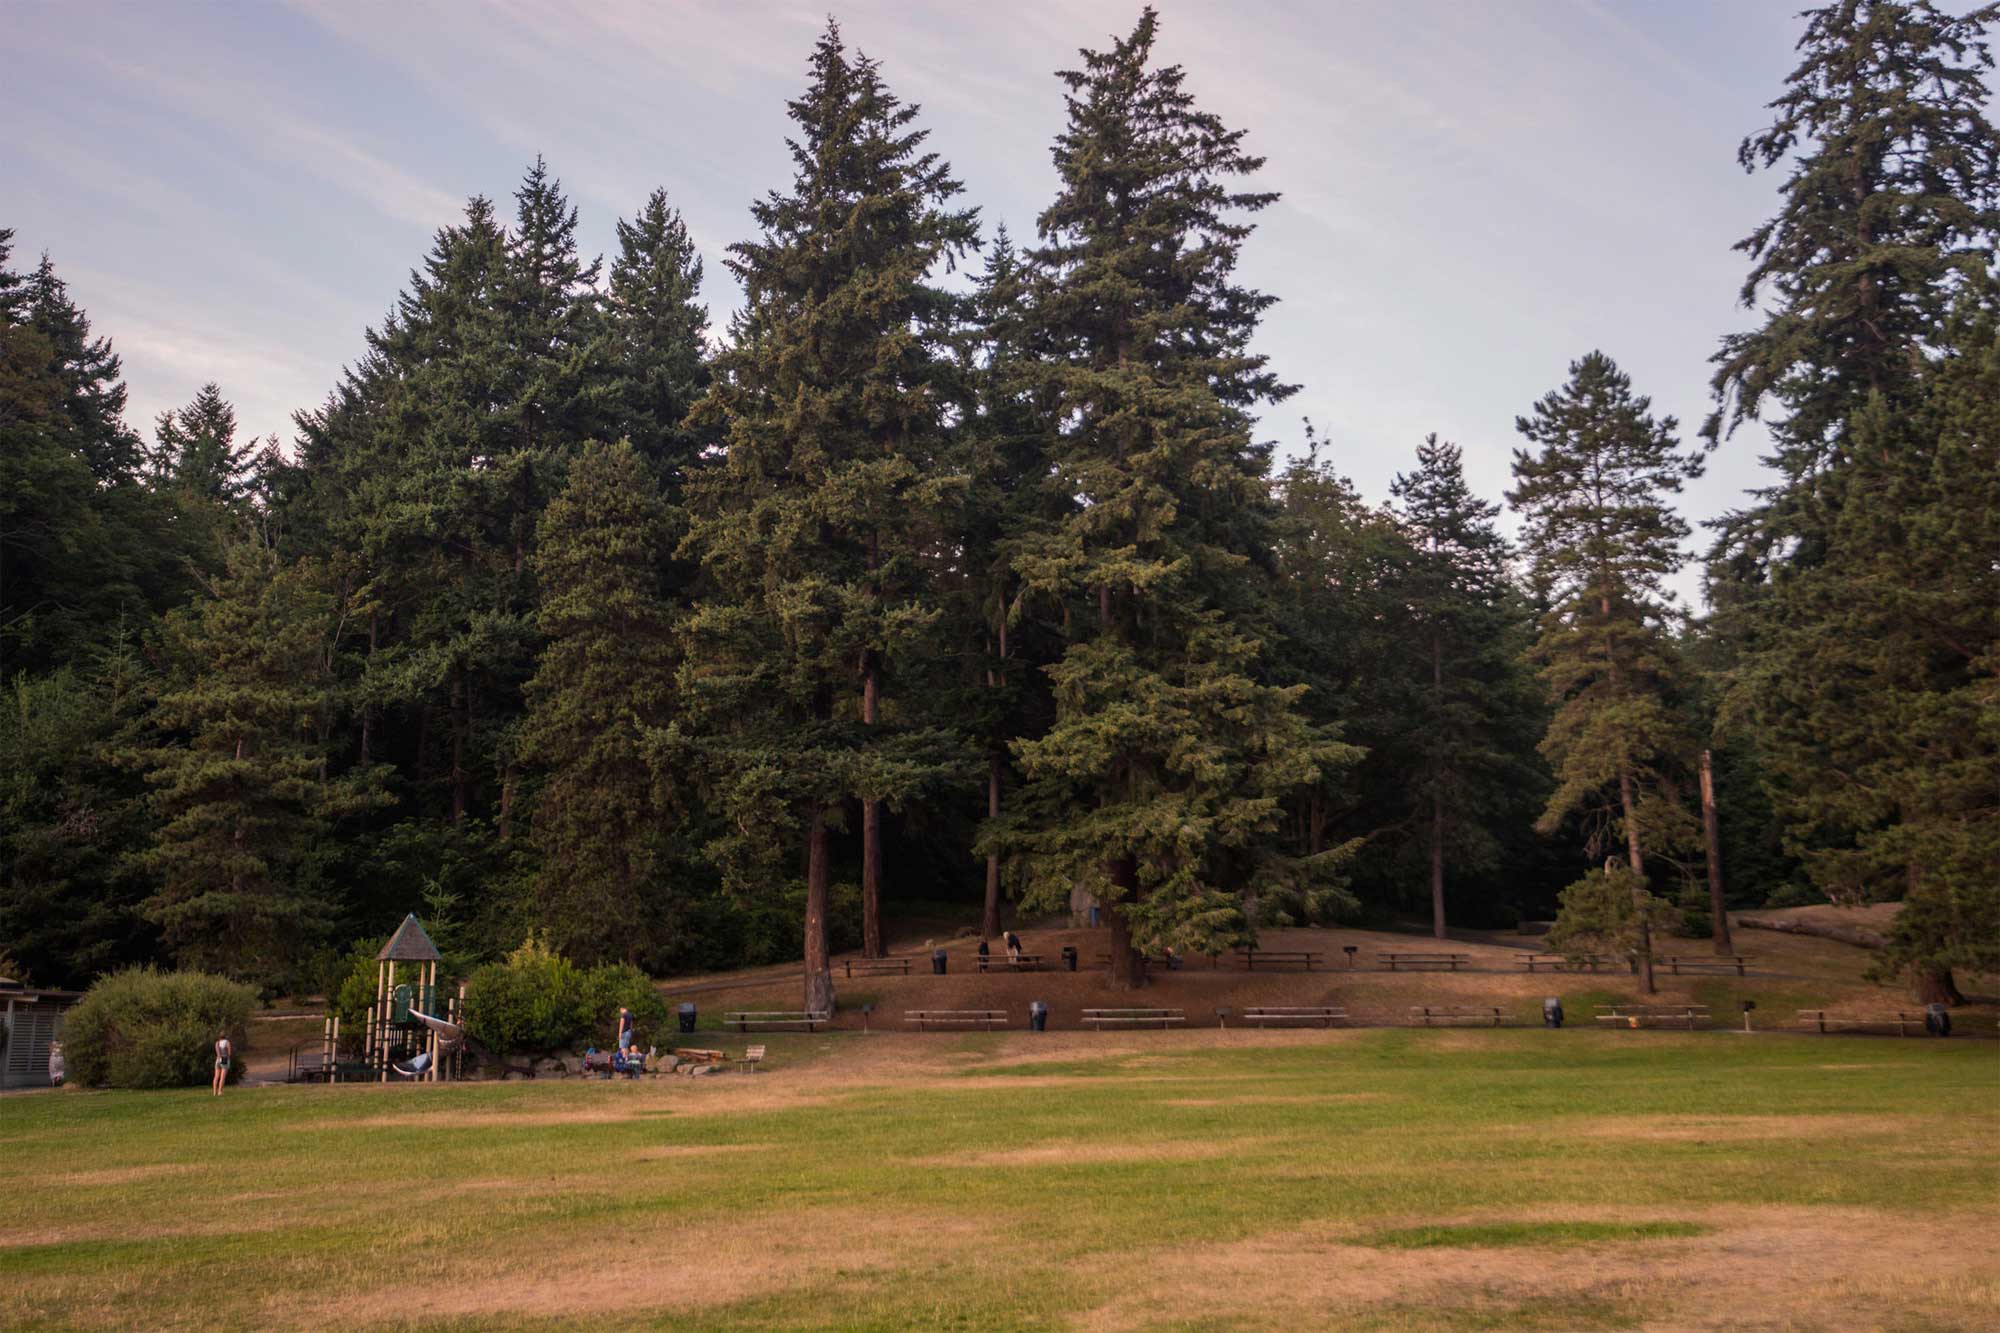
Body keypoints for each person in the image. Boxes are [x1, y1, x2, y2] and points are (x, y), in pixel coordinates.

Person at [211, 1032, 232, 1097]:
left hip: (217, 1060)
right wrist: (228, 1058)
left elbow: (217, 1053)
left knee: (216, 1076)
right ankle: (220, 1091)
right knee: (222, 1077)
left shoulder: (217, 1043)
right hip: (224, 1059)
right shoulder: (227, 1042)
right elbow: (229, 1053)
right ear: (225, 1036)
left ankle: (214, 1092)